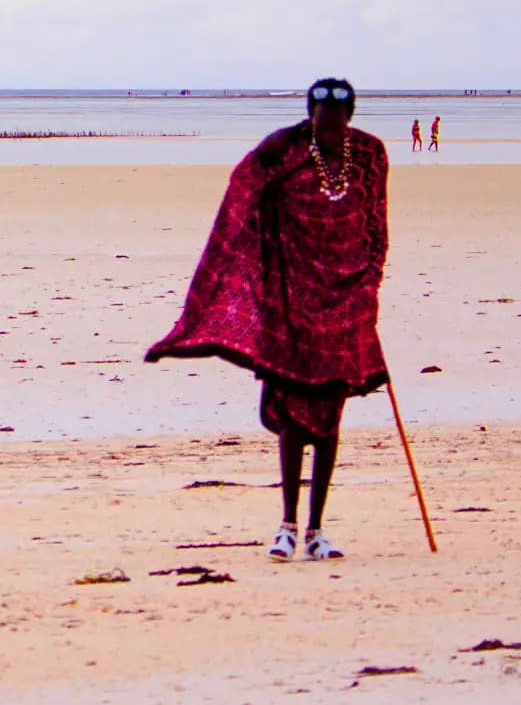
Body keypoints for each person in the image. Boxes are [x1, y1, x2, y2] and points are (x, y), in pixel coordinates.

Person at [146, 78, 390, 562]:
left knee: (329, 418)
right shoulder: (285, 150)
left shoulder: (369, 155)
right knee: (292, 418)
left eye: (339, 122)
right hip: (292, 301)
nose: (332, 131)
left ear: (351, 117)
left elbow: (376, 224)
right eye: (322, 122)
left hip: (344, 303)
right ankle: (287, 525)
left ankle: (318, 529)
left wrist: (370, 284)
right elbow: (243, 194)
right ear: (310, 116)